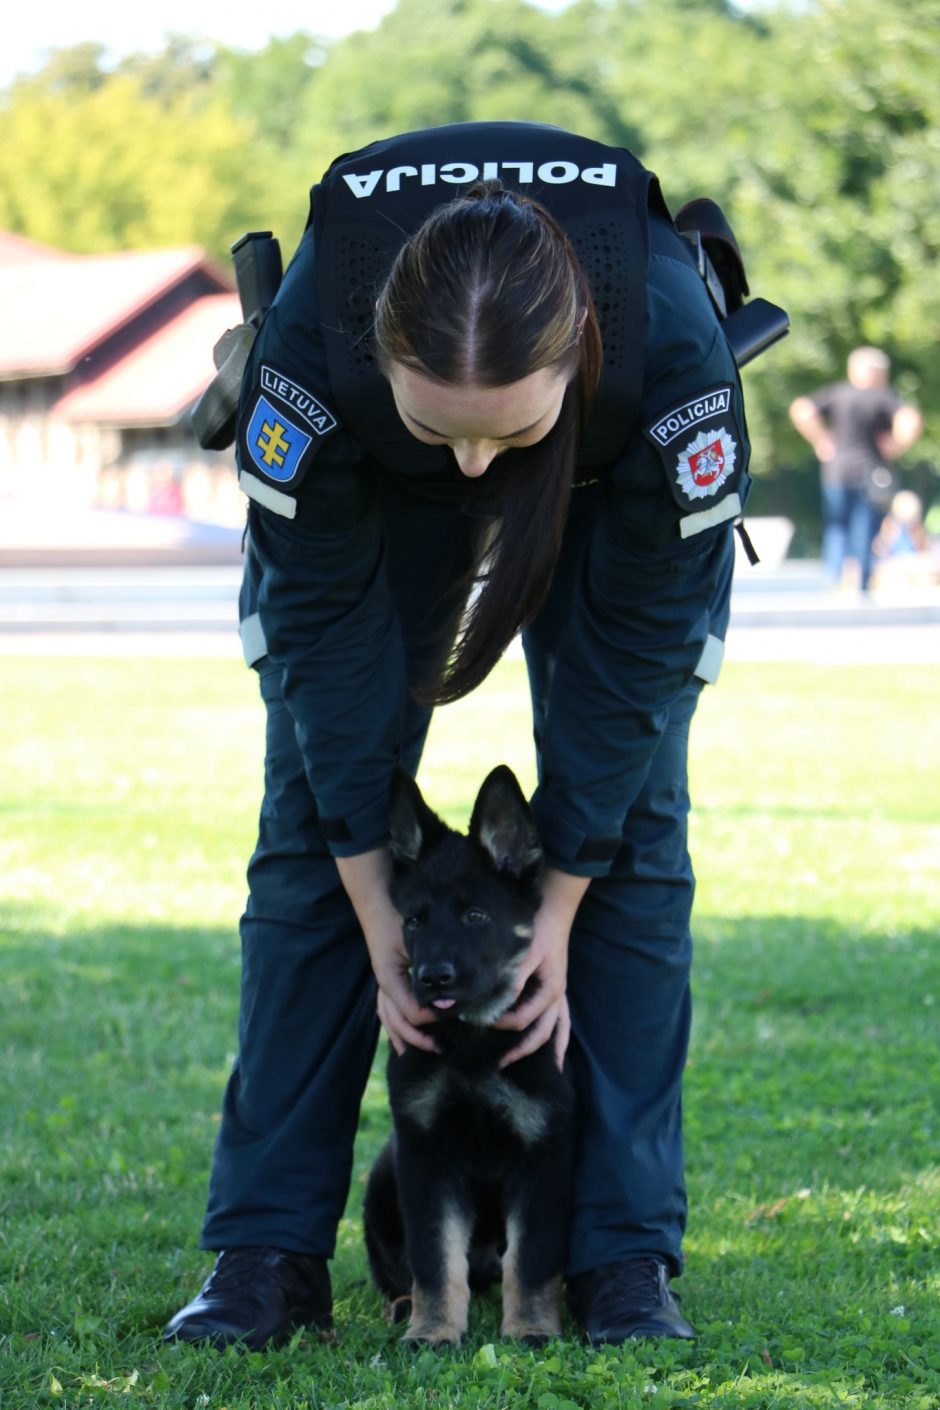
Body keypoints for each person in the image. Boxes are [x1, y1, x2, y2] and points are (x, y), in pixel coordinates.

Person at [164, 120, 755, 1351]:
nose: (479, 461)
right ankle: (265, 1251)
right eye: (448, 428)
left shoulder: (676, 372)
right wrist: (383, 911)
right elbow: (321, 652)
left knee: (633, 831)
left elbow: (633, 676)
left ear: (578, 350)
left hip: (604, 470)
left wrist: (562, 897)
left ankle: (620, 1257)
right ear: (380, 359)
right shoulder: (306, 369)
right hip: (376, 482)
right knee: (312, 833)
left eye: (503, 429)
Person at [789, 347, 923, 591]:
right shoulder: (884, 398)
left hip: (836, 471)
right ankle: (862, 582)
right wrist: (896, 445)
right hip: (872, 474)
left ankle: (834, 579)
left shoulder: (838, 393)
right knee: (865, 525)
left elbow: (802, 409)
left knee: (836, 526)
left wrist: (820, 439)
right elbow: (911, 419)